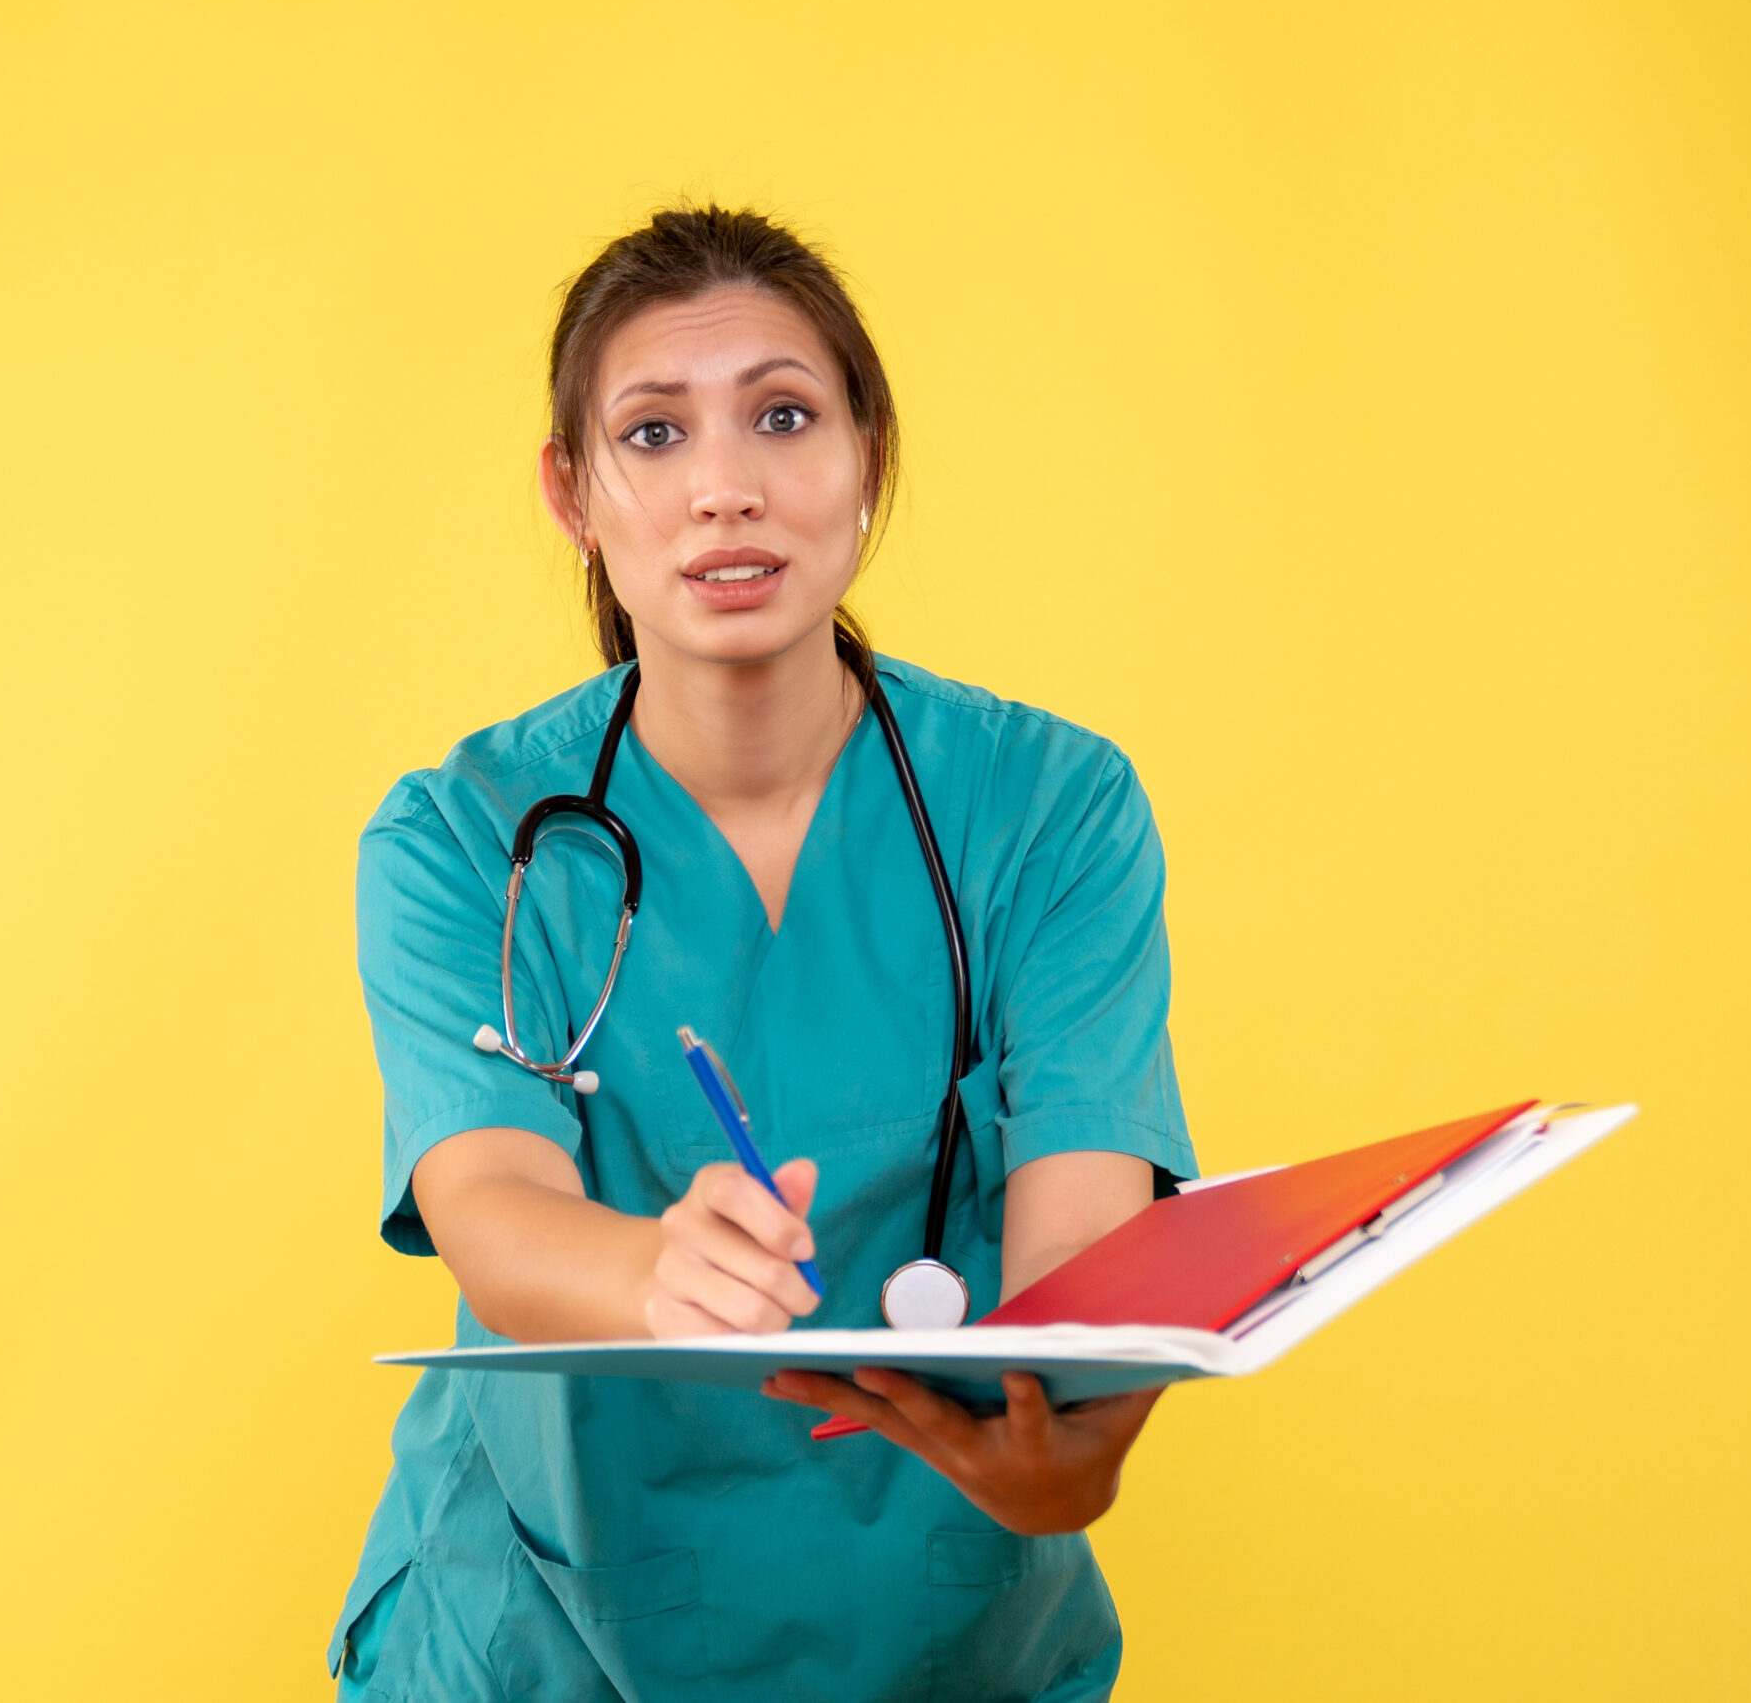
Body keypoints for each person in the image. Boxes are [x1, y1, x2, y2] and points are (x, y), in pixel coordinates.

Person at [331, 206, 1196, 1702]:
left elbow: (1082, 1249)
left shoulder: (1052, 811)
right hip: (542, 1633)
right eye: (653, 434)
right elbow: (487, 1201)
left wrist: (1076, 1431)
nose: (725, 489)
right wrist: (650, 1262)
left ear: (868, 460)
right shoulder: (461, 841)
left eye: (784, 417)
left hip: (946, 1620)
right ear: (573, 494)